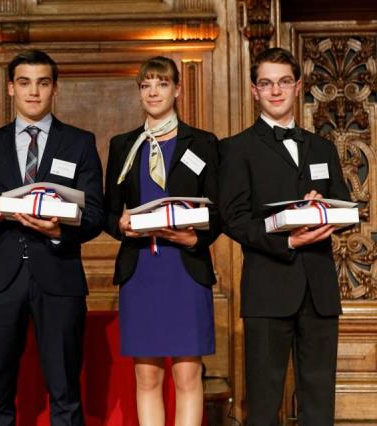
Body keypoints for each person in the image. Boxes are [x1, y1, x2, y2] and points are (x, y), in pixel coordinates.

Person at [0, 49, 104, 426]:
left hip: (59, 276)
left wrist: (60, 232)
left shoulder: (79, 142)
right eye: (24, 83)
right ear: (11, 88)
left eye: (43, 83)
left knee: (65, 396)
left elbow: (95, 215)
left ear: (54, 89)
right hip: (0, 280)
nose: (33, 92)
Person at [219, 47, 350, 425]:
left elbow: (345, 207)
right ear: (254, 90)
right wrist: (288, 240)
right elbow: (235, 219)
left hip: (319, 289)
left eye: (284, 82)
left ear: (298, 86)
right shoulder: (236, 149)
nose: (276, 90)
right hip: (267, 288)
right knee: (263, 402)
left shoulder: (322, 147)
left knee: (319, 398)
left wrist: (324, 206)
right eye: (266, 83)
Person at [104, 56, 220, 425]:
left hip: (184, 268)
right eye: (146, 85)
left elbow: (218, 212)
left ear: (177, 90)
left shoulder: (202, 143)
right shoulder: (123, 145)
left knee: (187, 373)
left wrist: (192, 237)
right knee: (147, 375)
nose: (153, 91)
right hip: (142, 269)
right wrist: (121, 223)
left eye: (162, 83)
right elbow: (107, 210)